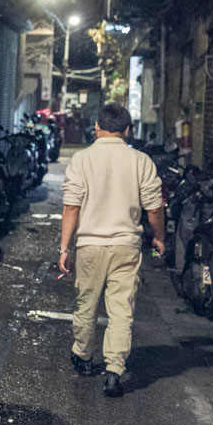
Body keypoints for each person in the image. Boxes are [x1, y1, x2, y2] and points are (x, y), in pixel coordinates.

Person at [58, 102, 164, 398]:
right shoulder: (141, 161)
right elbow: (155, 208)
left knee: (86, 305)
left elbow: (71, 206)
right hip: (126, 246)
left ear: (96, 128)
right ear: (128, 130)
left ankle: (83, 355)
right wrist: (159, 238)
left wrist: (64, 248)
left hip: (90, 246)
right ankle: (114, 371)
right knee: (121, 311)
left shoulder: (82, 159)